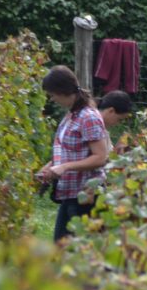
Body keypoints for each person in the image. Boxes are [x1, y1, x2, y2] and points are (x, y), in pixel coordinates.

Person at [35, 65, 108, 242]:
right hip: (71, 194)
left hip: (86, 196)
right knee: (63, 250)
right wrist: (49, 168)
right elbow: (67, 151)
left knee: (76, 255)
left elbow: (101, 157)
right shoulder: (71, 116)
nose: (52, 99)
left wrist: (65, 167)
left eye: (53, 95)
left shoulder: (88, 117)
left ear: (63, 91)